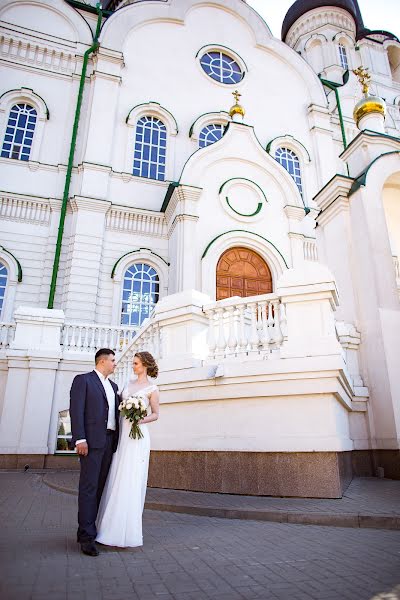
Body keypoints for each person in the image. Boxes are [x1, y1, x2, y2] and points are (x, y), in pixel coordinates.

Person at [96, 351, 160, 548]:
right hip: (122, 437)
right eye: (133, 363)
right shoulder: (126, 385)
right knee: (117, 477)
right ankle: (108, 527)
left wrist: (139, 419)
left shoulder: (152, 388)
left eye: (136, 364)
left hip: (137, 438)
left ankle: (126, 532)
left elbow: (156, 414)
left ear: (146, 366)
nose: (133, 366)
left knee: (131, 479)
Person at [69, 348, 119, 557]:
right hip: (90, 443)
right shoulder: (84, 380)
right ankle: (87, 537)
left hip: (109, 442)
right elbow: (76, 409)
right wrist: (80, 438)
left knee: (99, 488)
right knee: (89, 488)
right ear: (102, 361)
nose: (115, 364)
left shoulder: (114, 386)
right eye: (113, 360)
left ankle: (88, 530)